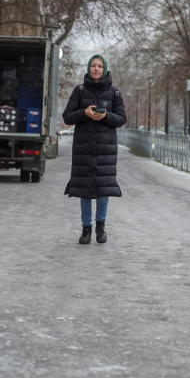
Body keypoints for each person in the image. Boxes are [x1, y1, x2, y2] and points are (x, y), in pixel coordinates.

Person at [62, 55, 127, 244]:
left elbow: (122, 119)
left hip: (105, 149)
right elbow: (67, 117)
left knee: (103, 189)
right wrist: (85, 113)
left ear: (105, 69)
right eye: (93, 66)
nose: (96, 69)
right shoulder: (80, 91)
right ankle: (86, 229)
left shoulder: (114, 93)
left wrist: (106, 116)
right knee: (84, 189)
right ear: (89, 68)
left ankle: (100, 227)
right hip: (84, 148)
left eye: (100, 66)